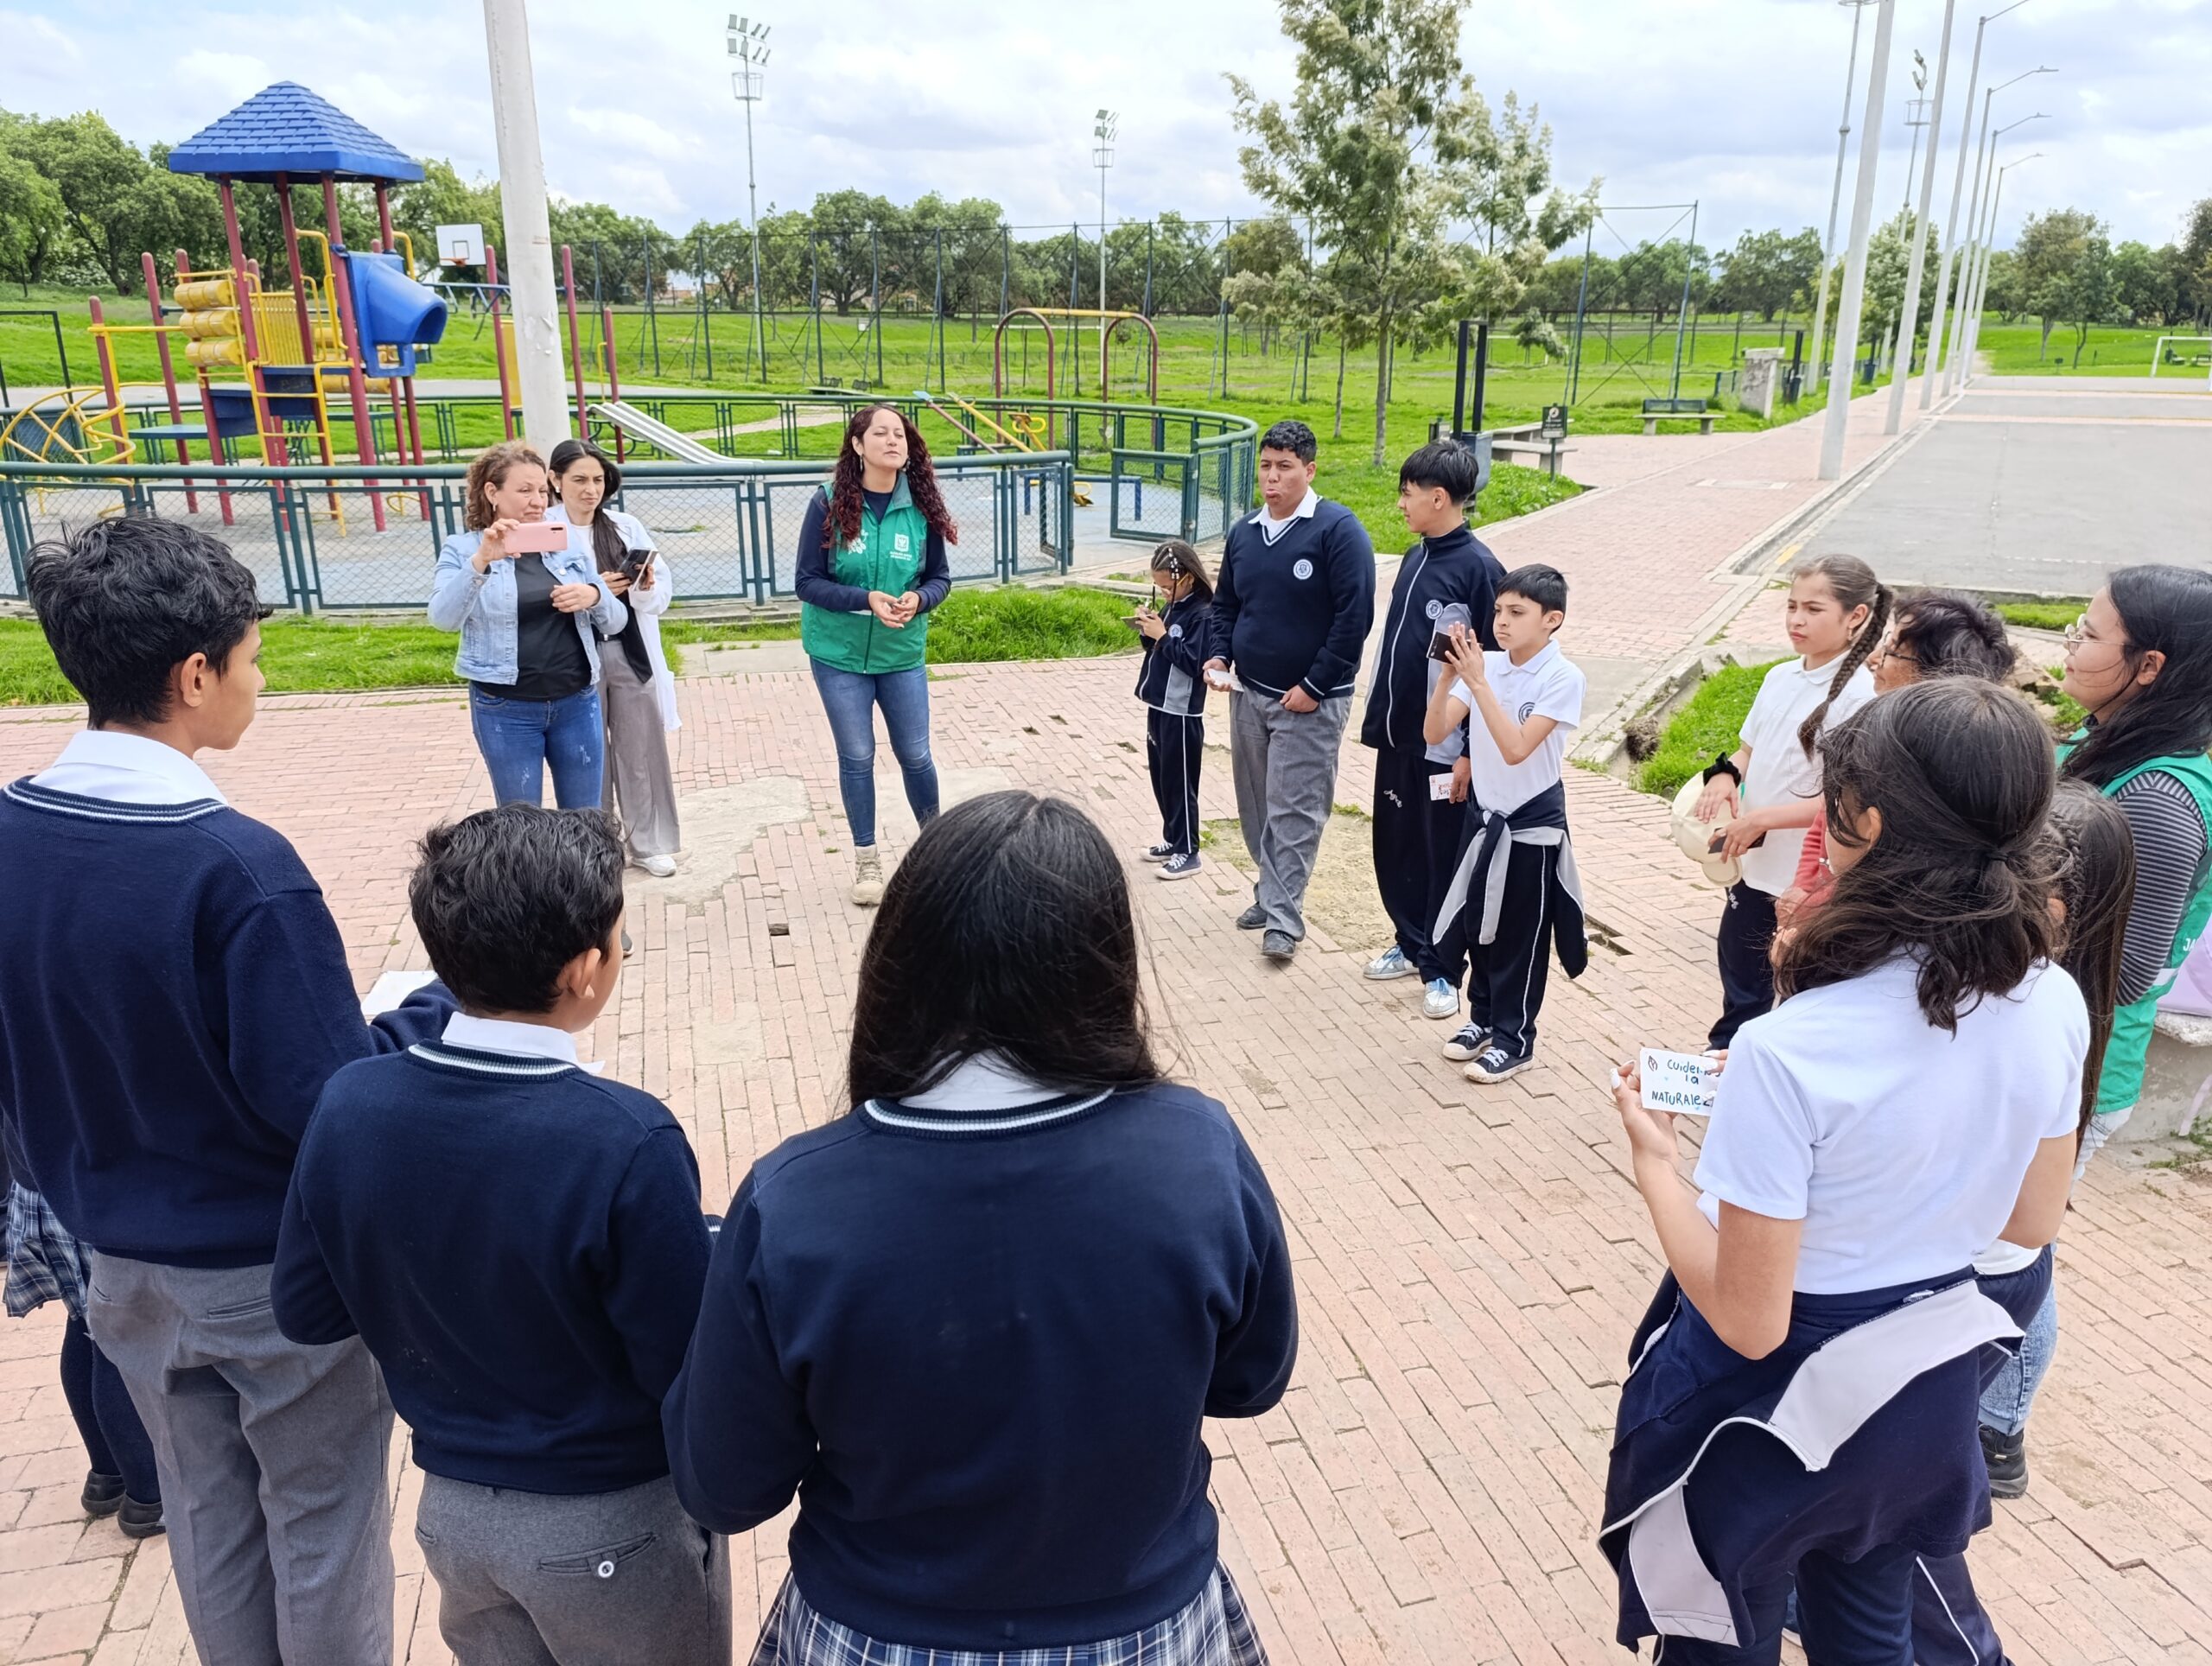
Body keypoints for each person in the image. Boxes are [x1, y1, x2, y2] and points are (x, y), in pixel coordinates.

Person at [664, 791, 1296, 1663]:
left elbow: (725, 1484)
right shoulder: (1199, 1148)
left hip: (877, 1628)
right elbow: (1250, 1379)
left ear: (898, 965)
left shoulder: (793, 1202)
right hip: (1146, 1624)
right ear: (1102, 963)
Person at [2, 518, 454, 1664]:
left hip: (120, 1266)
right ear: (193, 675)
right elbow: (327, 1104)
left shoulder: (16, 831)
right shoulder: (237, 869)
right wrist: (414, 1026)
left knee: (207, 1516)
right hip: (272, 1279)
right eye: (251, 658)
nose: (259, 680)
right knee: (322, 1527)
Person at [1602, 677, 2083, 1665]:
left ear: (1859, 818)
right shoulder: (2050, 994)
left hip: (1777, 1405)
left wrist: (1655, 1160)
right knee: (1868, 1627)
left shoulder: (1792, 1050)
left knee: (1719, 1624)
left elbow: (1748, 1317)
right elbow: (2031, 1221)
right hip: (1920, 1391)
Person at [273, 805, 727, 1663]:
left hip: (455, 1515)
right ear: (588, 966)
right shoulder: (626, 1138)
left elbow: (307, 1307)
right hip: (609, 1518)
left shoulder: (350, 1104)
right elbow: (683, 1362)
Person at [1909, 779, 2135, 1666]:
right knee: (1911, 1466)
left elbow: (2022, 1212)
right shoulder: (2062, 996)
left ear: (2048, 900)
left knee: (1908, 1498)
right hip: (1998, 1272)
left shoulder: (2022, 1004)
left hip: (1972, 1273)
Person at [1691, 554, 1889, 1046]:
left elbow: (1845, 802)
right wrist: (1723, 775)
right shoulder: (1780, 677)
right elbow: (1748, 750)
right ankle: (1725, 1072)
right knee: (1741, 988)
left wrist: (1762, 819)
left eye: (1813, 609)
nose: (1796, 620)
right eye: (1791, 606)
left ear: (1856, 617)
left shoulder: (1862, 696)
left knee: (1799, 996)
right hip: (1753, 869)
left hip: (1812, 882)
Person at [2056, 566, 2212, 1171]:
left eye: (2089, 636)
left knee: (2004, 1248)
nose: (2071, 648)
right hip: (2042, 1045)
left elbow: (2124, 972)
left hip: (2075, 1068)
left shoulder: (2157, 798)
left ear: (2149, 666)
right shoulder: (2103, 742)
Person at [1204, 418, 1377, 962]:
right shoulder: (1246, 532)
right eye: (1266, 466)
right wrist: (1217, 654)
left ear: (1309, 470)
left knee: (1295, 808)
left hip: (1309, 701)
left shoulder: (1337, 531)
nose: (1272, 478)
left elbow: (1354, 620)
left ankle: (1284, 919)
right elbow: (1226, 605)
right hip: (1248, 692)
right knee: (1256, 803)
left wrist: (1314, 685)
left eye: (1284, 467)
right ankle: (1269, 891)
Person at [1421, 564, 1589, 1084]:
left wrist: (1477, 681)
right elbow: (1434, 732)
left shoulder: (1564, 677)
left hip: (1531, 827)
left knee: (1521, 935)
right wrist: (1451, 675)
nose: (1502, 622)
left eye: (1517, 613)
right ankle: (1483, 1021)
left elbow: (1517, 749)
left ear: (1552, 620)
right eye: (1498, 610)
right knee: (1480, 927)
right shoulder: (1486, 666)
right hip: (1484, 820)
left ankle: (1517, 1039)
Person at [1359, 440, 1505, 1020]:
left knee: (1439, 852)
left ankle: (1443, 969)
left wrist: (1470, 752)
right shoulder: (1416, 556)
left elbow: (1491, 669)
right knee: (1394, 848)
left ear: (1438, 497)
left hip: (1444, 748)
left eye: (1407, 493)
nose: (1400, 504)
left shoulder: (1481, 570)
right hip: (1399, 735)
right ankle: (1407, 938)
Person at [796, 405, 956, 908]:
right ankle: (867, 859)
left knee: (914, 753)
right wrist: (864, 598)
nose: (893, 440)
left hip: (901, 654)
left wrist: (921, 599)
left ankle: (937, 850)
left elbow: (940, 579)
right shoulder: (827, 504)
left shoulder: (922, 508)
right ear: (859, 446)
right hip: (837, 654)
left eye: (900, 433)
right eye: (880, 433)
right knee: (859, 756)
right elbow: (807, 583)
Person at [1778, 589, 2017, 922]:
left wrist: (1820, 910)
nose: (1873, 658)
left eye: (1892, 651)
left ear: (1932, 674)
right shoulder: (1870, 731)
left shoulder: (1948, 769)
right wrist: (1803, 888)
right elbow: (1826, 818)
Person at [429, 440, 629, 812]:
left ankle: (585, 876)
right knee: (522, 826)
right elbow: (443, 618)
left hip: (577, 701)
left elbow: (617, 621)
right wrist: (482, 561)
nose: (538, 501)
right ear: (492, 492)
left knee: (587, 820)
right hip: (506, 707)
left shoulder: (565, 546)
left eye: (542, 490)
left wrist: (594, 596)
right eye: (524, 491)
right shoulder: (462, 549)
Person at [2, 1146, 162, 1540]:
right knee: (114, 1336)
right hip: (82, 1189)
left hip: (40, 1185)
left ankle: (107, 1475)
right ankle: (148, 1496)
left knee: (84, 1323)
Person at [550, 437, 683, 878]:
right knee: (589, 755)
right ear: (555, 481)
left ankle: (648, 842)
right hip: (573, 656)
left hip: (629, 650)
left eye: (598, 479)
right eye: (579, 480)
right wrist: (594, 590)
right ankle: (598, 847)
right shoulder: (545, 532)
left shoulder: (625, 526)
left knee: (640, 749)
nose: (591, 489)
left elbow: (660, 592)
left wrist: (642, 587)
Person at [1132, 538, 1215, 882]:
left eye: (1169, 586)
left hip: (1182, 712)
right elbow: (1160, 649)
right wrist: (1148, 629)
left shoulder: (1203, 612)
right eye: (1159, 587)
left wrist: (1163, 636)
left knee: (1181, 783)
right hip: (1159, 704)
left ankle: (1188, 850)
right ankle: (1172, 839)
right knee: (1162, 778)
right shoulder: (1173, 607)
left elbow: (1195, 663)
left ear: (1189, 578)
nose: (1165, 592)